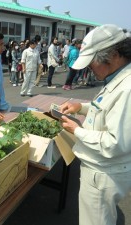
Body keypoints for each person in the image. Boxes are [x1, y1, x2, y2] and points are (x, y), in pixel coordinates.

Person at [59, 24, 131, 225]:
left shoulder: (127, 89)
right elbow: (106, 110)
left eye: (92, 62)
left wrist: (77, 131)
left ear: (114, 55)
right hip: (102, 169)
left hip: (103, 173)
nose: (90, 68)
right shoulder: (118, 79)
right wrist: (79, 107)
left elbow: (114, 142)